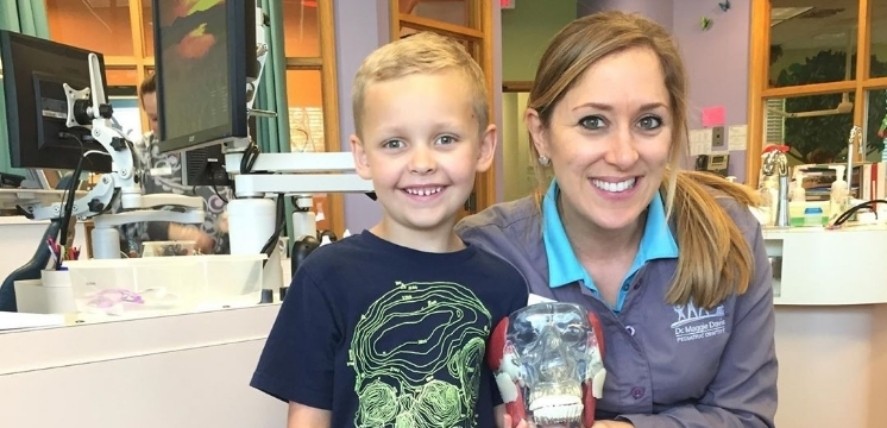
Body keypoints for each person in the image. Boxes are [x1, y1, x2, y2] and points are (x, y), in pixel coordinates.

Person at [456, 11, 777, 428]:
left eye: (648, 122)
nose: (624, 155)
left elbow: (747, 416)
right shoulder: (483, 253)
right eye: (593, 122)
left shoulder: (729, 237)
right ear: (540, 134)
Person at [250, 32, 529, 427]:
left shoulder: (505, 286)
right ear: (363, 157)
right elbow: (308, 419)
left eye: (445, 139)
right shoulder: (325, 279)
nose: (421, 162)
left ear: (483, 148)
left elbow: (507, 414)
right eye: (395, 143)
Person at [119, 73, 230, 256]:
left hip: (220, 269)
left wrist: (232, 225)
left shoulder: (222, 150)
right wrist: (175, 232)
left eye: (168, 115)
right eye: (154, 119)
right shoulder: (140, 153)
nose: (163, 125)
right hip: (159, 272)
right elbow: (121, 217)